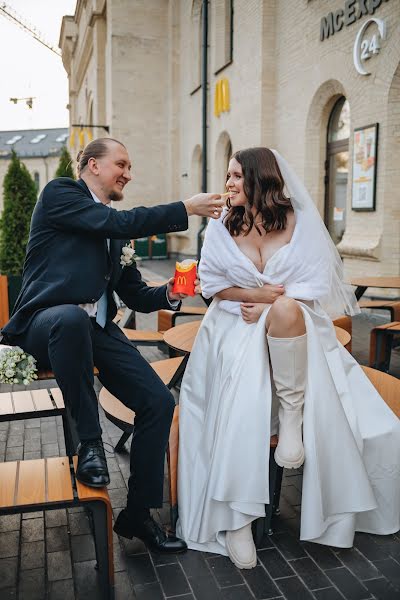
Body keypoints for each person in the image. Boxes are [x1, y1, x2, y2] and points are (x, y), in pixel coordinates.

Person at [176, 147, 400, 568]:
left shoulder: (299, 223)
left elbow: (313, 287)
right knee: (243, 382)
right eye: (228, 176)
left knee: (285, 311)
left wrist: (270, 307)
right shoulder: (222, 226)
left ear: (262, 179)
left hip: (294, 324)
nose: (229, 184)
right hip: (232, 322)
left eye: (237, 176)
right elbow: (212, 286)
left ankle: (292, 420)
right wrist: (256, 297)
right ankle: (236, 517)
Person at [0, 137, 225, 554]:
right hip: (45, 322)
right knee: (69, 318)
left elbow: (137, 294)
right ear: (91, 165)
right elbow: (117, 223)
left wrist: (175, 294)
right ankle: (90, 443)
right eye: (121, 163)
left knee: (158, 402)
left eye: (129, 165)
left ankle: (138, 514)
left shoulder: (114, 232)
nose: (128, 172)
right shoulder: (60, 194)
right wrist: (185, 208)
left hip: (98, 330)